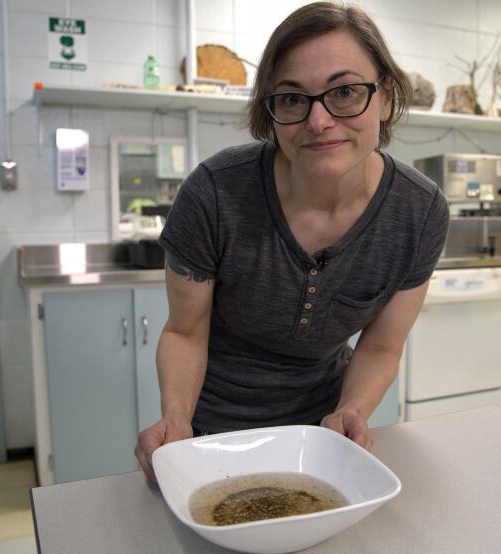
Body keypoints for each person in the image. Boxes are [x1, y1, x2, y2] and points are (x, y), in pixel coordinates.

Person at [135, 1, 449, 480]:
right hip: (214, 428)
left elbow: (383, 345)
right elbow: (185, 330)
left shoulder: (419, 212)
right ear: (273, 111)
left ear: (386, 97)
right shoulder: (216, 192)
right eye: (292, 99)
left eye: (345, 92)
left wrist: (353, 411)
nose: (318, 121)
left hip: (323, 432)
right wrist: (176, 417)